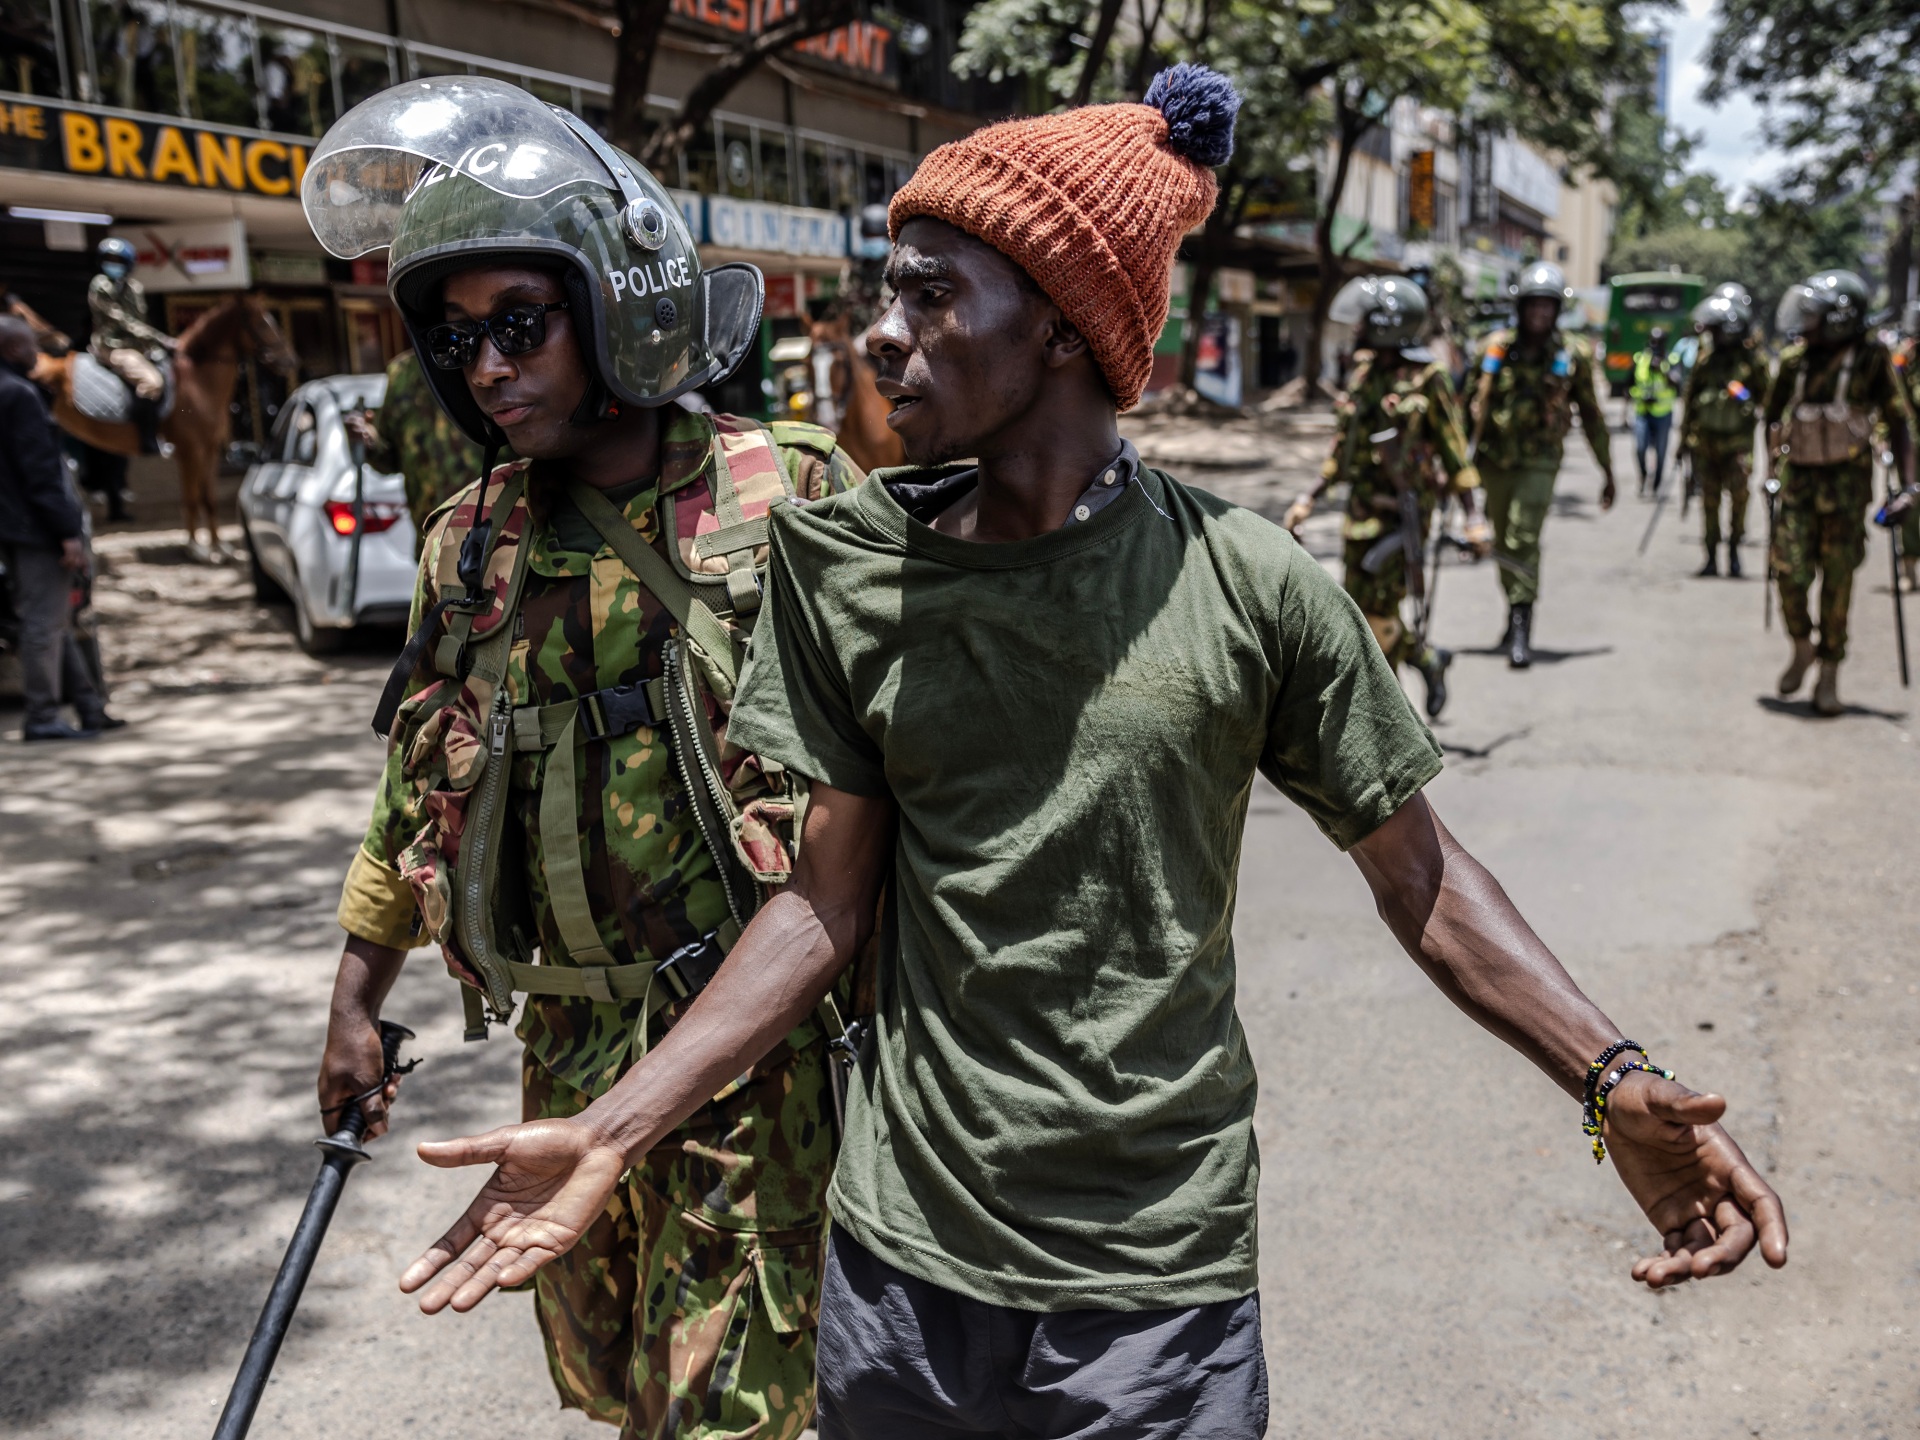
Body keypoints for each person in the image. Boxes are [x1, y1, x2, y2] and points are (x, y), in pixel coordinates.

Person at [397, 68, 1789, 1440]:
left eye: (933, 297)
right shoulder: (840, 570)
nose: (883, 337)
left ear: (1064, 328)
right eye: (891, 292)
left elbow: (1422, 878)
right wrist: (613, 1130)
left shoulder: (1248, 585)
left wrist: (1611, 1080)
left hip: (1153, 1295)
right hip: (901, 1274)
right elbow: (821, 905)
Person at [303, 79, 862, 1438]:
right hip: (562, 1044)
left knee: (728, 1413)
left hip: (747, 1056)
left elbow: (912, 787)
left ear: (620, 302)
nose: (488, 365)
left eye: (519, 324)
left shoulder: (784, 492)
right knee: (619, 1391)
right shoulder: (468, 540)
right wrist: (354, 997)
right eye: (459, 338)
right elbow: (413, 787)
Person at [1283, 274, 1488, 718]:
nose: (1356, 329)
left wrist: (1474, 518)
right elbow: (1343, 448)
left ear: (1388, 323)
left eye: (1365, 321)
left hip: (1402, 515)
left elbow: (1455, 452)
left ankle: (1383, 717)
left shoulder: (1428, 378)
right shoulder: (1363, 374)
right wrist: (1309, 496)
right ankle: (1427, 660)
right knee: (1359, 614)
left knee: (1378, 614)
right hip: (1360, 511)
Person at [1763, 269, 1917, 715]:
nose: (1804, 320)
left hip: (1847, 495)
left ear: (1839, 319)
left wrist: (1910, 488)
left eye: (1814, 313)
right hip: (1798, 488)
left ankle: (1830, 671)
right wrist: (1769, 471)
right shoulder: (1794, 361)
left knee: (1838, 584)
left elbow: (1900, 421)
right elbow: (1771, 416)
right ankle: (1801, 644)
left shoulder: (1872, 360)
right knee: (1789, 574)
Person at [1468, 261, 1618, 668]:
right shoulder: (1493, 349)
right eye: (1533, 305)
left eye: (1547, 307)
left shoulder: (1572, 354)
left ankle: (1522, 627)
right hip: (1495, 461)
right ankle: (1513, 608)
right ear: (1521, 306)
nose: (1540, 314)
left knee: (1522, 536)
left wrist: (1608, 470)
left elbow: (1591, 414)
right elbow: (1465, 410)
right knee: (1502, 541)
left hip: (1540, 460)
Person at [0, 316, 118, 741]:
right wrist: (67, 532)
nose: (38, 352)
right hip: (37, 530)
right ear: (14, 349)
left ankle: (89, 706)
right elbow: (41, 474)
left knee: (57, 620)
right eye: (32, 344)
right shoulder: (19, 395)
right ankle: (43, 716)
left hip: (15, 530)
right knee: (44, 625)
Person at [344, 347, 491, 550]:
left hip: (496, 538)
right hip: (432, 542)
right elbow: (390, 459)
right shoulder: (401, 373)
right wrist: (369, 443)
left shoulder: (480, 358)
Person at [1678, 292, 1767, 577]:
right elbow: (1690, 402)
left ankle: (1734, 548)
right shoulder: (1705, 361)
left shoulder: (1752, 362)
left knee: (1740, 495)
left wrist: (1741, 394)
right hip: (1705, 443)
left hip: (1738, 444)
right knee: (1709, 500)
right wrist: (1682, 442)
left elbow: (1768, 400)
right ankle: (1711, 555)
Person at [86, 237, 173, 456]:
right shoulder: (100, 285)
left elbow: (140, 319)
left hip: (138, 346)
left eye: (117, 260)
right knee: (151, 382)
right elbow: (121, 320)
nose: (112, 264)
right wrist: (159, 338)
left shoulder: (134, 288)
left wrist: (155, 343)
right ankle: (145, 436)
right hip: (113, 347)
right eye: (108, 259)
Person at [1630, 326, 1680, 498]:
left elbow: (1677, 384)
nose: (1655, 345)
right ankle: (1643, 475)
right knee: (1640, 448)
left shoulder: (1671, 360)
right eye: (1652, 341)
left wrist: (1662, 371)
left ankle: (1657, 483)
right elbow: (1628, 385)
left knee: (1660, 451)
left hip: (1663, 414)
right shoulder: (1640, 359)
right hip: (1642, 412)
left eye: (1659, 342)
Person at [1892, 299, 1920, 592]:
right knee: (1910, 504)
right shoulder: (1903, 361)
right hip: (1912, 447)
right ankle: (1910, 569)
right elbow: (1894, 405)